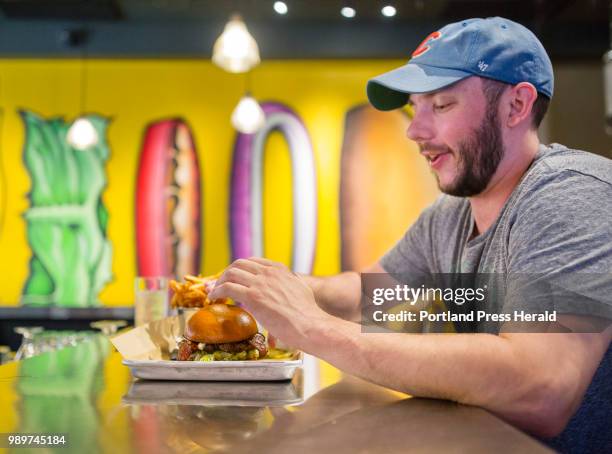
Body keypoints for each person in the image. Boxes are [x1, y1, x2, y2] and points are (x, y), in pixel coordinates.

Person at [209, 17, 612, 452]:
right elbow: (370, 295)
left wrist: (310, 326)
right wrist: (280, 287)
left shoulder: (573, 194)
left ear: (516, 105)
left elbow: (541, 387)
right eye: (415, 107)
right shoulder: (450, 215)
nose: (415, 131)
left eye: (441, 106)